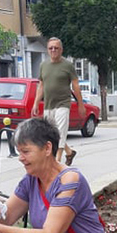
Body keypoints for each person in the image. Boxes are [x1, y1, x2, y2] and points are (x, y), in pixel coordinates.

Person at [33, 37, 84, 166]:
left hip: (63, 103)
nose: (53, 50)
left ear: (61, 50)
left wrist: (81, 104)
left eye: (56, 48)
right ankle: (69, 152)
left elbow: (75, 85)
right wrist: (35, 103)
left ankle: (57, 161)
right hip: (48, 105)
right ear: (47, 50)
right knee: (51, 134)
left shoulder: (67, 65)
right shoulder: (43, 65)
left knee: (60, 132)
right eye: (51, 48)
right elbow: (41, 85)